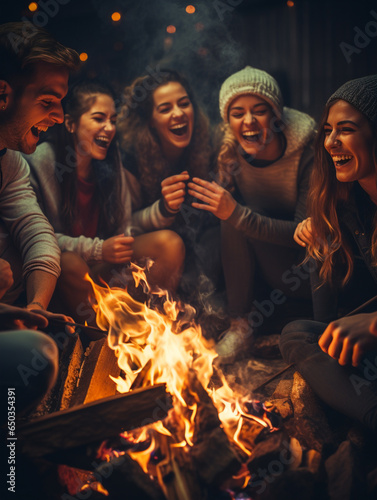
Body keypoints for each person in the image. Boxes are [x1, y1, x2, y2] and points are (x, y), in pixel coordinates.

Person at [26, 79, 185, 325]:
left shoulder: (111, 161)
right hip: (62, 277)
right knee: (69, 262)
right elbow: (36, 237)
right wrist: (99, 248)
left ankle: (153, 328)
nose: (109, 128)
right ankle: (108, 344)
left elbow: (124, 227)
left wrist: (162, 211)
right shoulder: (42, 161)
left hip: (104, 268)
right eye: (99, 119)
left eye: (113, 120)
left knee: (169, 243)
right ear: (70, 123)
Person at [187, 66, 316, 362]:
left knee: (236, 214)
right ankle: (235, 324)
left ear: (276, 115)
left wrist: (237, 215)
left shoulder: (308, 152)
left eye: (260, 111)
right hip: (263, 268)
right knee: (219, 225)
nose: (248, 121)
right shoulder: (230, 151)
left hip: (307, 270)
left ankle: (240, 328)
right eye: (237, 113)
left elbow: (304, 235)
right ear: (227, 120)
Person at [280, 75, 377, 432]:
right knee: (297, 335)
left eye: (346, 129)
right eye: (327, 130)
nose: (331, 142)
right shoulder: (352, 202)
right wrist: (321, 230)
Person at [0, 21, 79, 416]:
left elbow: (38, 235)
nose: (60, 115)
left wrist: (34, 308)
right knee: (38, 355)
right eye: (48, 100)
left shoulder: (10, 162)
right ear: (3, 95)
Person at [117, 69, 218, 306]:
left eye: (184, 104)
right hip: (145, 260)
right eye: (165, 109)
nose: (178, 113)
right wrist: (163, 209)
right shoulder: (131, 159)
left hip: (196, 261)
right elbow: (123, 226)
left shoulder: (207, 146)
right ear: (150, 120)